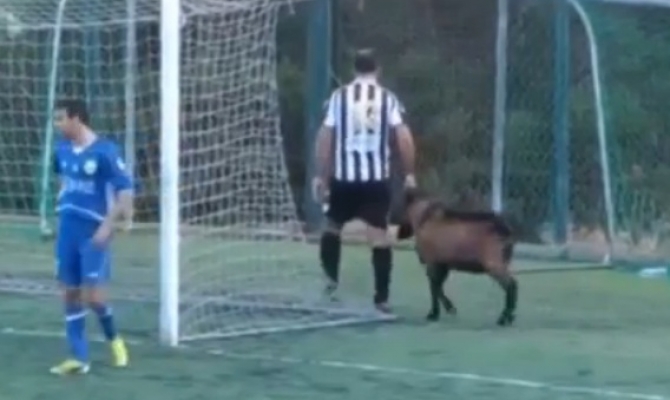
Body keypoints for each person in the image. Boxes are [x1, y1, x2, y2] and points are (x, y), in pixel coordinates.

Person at [312, 49, 417, 312]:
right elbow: (403, 137)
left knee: (332, 227)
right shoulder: (388, 98)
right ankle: (381, 299)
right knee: (379, 235)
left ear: (354, 69)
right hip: (375, 180)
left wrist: (321, 176)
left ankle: (330, 285)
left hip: (344, 179)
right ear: (378, 69)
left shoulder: (338, 97)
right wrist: (409, 173)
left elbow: (325, 137)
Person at [50, 99, 132, 375]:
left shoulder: (105, 151)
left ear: (76, 119)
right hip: (68, 228)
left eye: (60, 119)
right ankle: (79, 357)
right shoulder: (61, 149)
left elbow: (124, 192)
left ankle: (115, 340)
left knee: (94, 298)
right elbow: (63, 177)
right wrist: (61, 204)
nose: (57, 125)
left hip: (94, 231)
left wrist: (109, 226)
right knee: (69, 293)